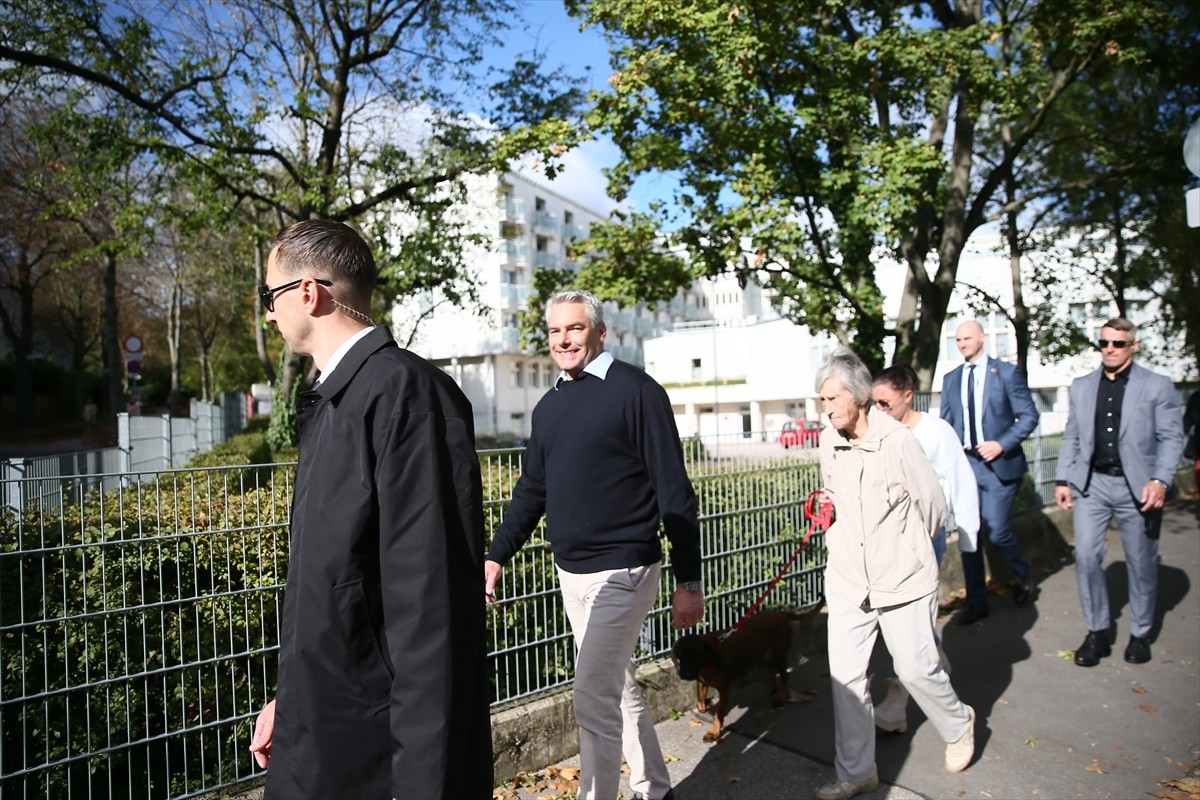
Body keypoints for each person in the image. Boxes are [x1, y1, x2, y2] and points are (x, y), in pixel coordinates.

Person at [247, 220, 492, 799]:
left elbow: (429, 612)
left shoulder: (404, 396)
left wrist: (422, 785)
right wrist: (292, 699)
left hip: (374, 757)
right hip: (326, 731)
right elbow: (339, 585)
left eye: (268, 296)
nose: (268, 315)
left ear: (308, 293)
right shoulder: (339, 397)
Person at [483, 289, 703, 800]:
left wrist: (689, 582)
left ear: (600, 332)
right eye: (555, 330)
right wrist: (496, 554)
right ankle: (655, 788)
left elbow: (674, 492)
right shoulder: (550, 405)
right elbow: (532, 490)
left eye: (575, 328)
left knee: (590, 696)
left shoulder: (637, 392)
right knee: (615, 687)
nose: (563, 340)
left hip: (623, 570)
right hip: (571, 572)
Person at [814, 348, 975, 800]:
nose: (826, 409)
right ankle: (856, 772)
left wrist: (906, 549)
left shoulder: (900, 442)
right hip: (848, 577)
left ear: (861, 396)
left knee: (916, 669)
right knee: (846, 680)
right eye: (822, 400)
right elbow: (834, 492)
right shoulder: (827, 440)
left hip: (903, 577)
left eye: (833, 399)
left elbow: (933, 507)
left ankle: (959, 723)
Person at [1054, 318, 1184, 667]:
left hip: (1138, 487)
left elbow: (1171, 437)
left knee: (1141, 562)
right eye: (1104, 343)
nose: (1109, 349)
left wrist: (1160, 480)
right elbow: (1072, 435)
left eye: (1118, 343)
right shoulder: (1082, 386)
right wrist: (1063, 479)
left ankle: (1140, 633)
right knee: (1085, 556)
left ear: (1133, 346)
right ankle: (1096, 632)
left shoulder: (1156, 386)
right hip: (1092, 484)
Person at [869, 364, 980, 733]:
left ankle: (905, 705)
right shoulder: (878, 431)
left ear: (908, 395)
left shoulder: (936, 432)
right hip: (887, 541)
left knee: (912, 623)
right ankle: (932, 671)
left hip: (925, 539)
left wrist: (969, 539)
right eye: (874, 403)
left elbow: (961, 481)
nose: (879, 410)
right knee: (906, 625)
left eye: (885, 403)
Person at [937, 320, 1039, 625]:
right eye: (958, 339)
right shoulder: (951, 379)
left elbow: (1028, 415)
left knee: (996, 529)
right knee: (969, 533)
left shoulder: (1005, 373)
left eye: (967, 338)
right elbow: (947, 425)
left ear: (982, 338)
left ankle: (1022, 574)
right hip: (965, 466)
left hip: (998, 466)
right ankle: (977, 602)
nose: (962, 344)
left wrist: (1001, 444)